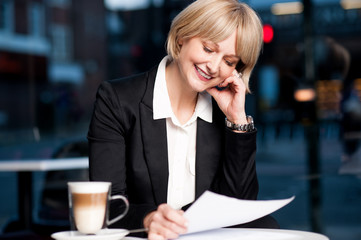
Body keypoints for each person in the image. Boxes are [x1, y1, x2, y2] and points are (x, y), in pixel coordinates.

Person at [88, 0, 278, 239]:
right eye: (208, 49)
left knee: (267, 225)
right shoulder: (117, 100)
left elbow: (239, 210)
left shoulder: (225, 114)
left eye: (229, 62)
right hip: (144, 237)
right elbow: (105, 204)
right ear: (182, 37)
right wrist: (148, 219)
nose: (214, 66)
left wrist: (237, 120)